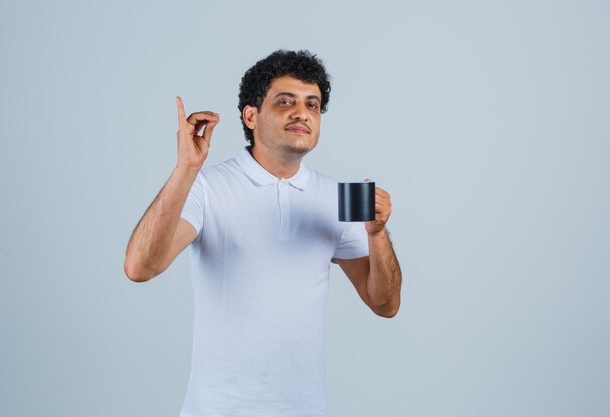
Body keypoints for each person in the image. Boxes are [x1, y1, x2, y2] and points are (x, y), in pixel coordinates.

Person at [124, 49, 402, 417]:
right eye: (285, 101)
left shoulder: (337, 198)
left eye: (313, 105)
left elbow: (385, 304)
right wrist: (185, 170)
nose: (302, 112)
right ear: (251, 116)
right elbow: (140, 267)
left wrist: (378, 234)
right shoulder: (205, 187)